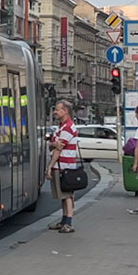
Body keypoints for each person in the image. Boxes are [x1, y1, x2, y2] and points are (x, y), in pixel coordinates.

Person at [47, 99, 82, 233]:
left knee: (67, 195)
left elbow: (58, 148)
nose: (55, 112)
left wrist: (49, 166)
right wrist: (53, 144)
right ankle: (64, 220)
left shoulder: (67, 127)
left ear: (65, 111)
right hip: (61, 165)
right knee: (62, 194)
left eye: (57, 110)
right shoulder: (61, 127)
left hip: (64, 166)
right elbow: (52, 144)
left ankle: (68, 223)